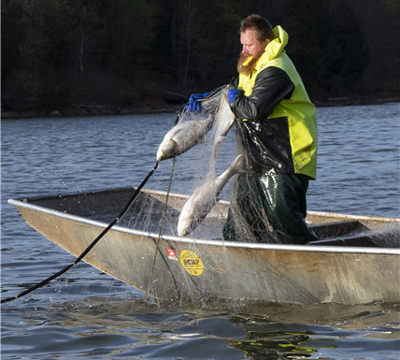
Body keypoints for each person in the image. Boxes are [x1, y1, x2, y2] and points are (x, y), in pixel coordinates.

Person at [185, 14, 318, 245]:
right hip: (254, 158)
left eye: (249, 45)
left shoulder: (277, 69)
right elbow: (235, 96)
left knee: (283, 218)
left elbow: (254, 109)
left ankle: (314, 257)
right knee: (240, 217)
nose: (244, 50)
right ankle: (247, 257)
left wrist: (234, 100)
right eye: (242, 45)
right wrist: (209, 101)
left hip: (285, 157)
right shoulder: (251, 67)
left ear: (265, 43)